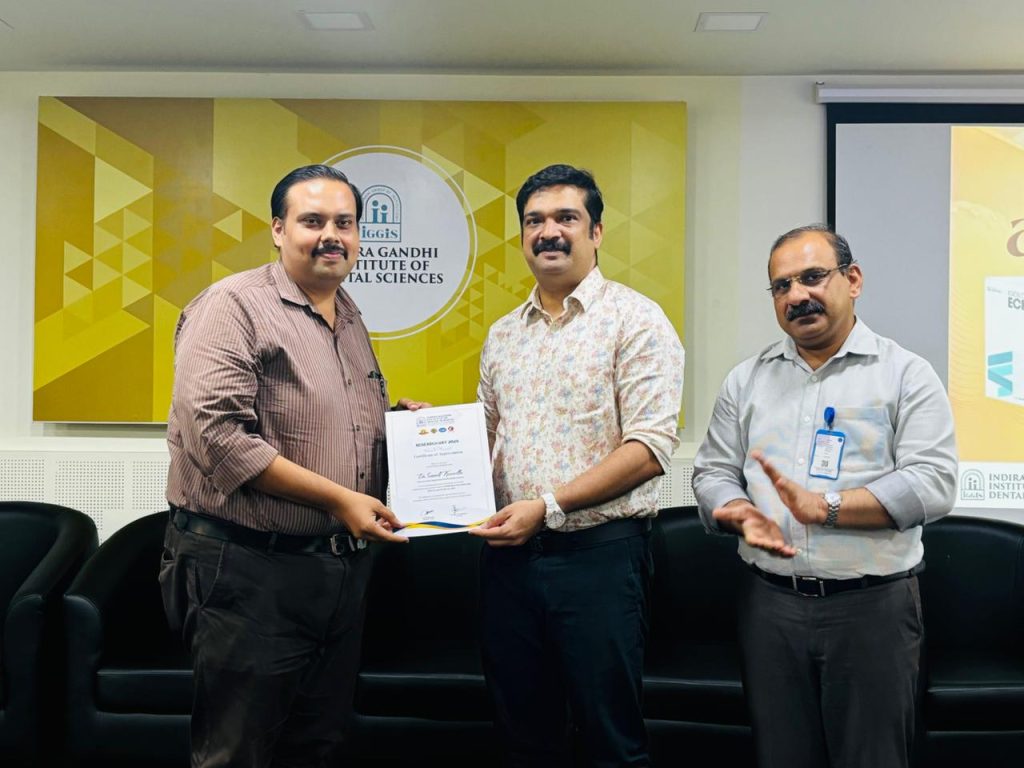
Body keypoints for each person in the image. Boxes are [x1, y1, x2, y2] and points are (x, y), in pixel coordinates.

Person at [159, 164, 426, 767]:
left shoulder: (346, 314)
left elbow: (332, 427)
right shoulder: (233, 305)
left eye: (344, 223)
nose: (331, 235)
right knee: (238, 752)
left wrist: (404, 430)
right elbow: (216, 436)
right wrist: (339, 500)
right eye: (312, 221)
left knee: (318, 745)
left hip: (334, 574)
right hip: (247, 569)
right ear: (279, 229)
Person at [692, 224, 958, 768]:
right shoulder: (747, 380)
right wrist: (737, 511)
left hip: (872, 609)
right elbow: (712, 472)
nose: (797, 296)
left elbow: (933, 482)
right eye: (782, 286)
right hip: (770, 607)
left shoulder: (905, 374)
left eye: (813, 277)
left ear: (852, 280)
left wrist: (828, 508)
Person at [471, 164, 685, 767]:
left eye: (566, 217)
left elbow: (649, 448)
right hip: (509, 563)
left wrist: (549, 507)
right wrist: (434, 435)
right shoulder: (503, 335)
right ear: (522, 237)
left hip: (599, 561)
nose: (549, 232)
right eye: (534, 221)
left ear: (596, 231)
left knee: (609, 738)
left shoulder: (636, 320)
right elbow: (487, 439)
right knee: (522, 734)